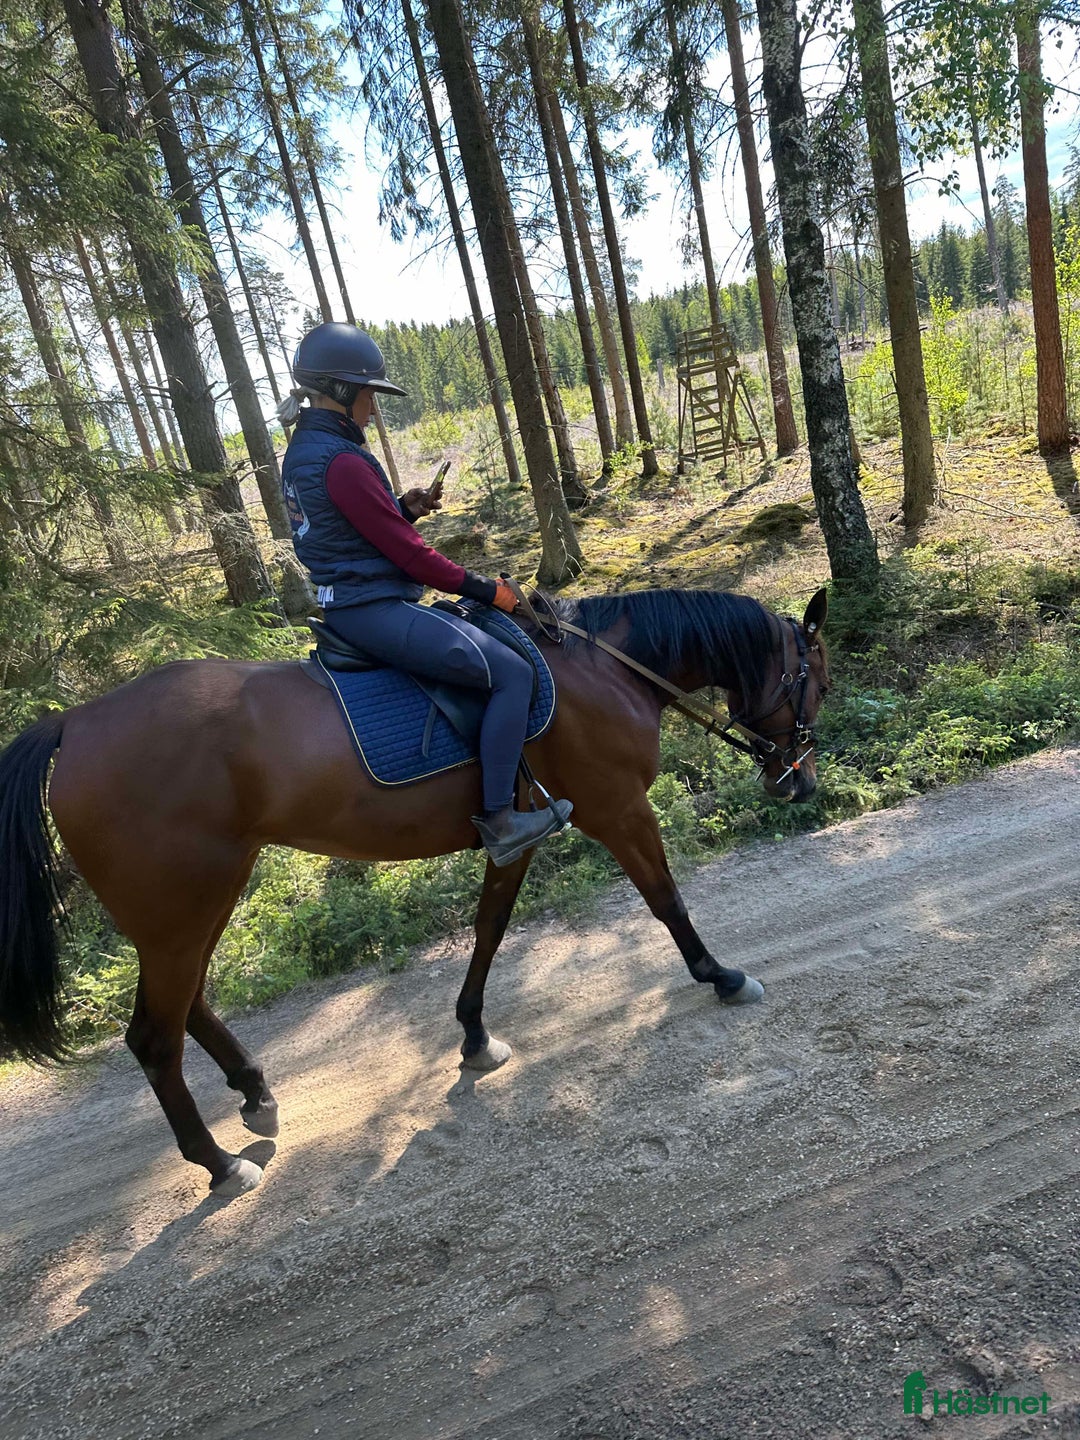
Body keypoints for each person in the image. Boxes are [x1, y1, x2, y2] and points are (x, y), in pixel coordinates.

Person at [277, 322, 572, 868]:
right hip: (374, 610)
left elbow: (344, 530)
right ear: (341, 391)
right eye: (368, 394)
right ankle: (501, 820)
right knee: (513, 674)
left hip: (347, 601)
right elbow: (413, 558)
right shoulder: (342, 460)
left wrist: (402, 508)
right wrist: (492, 592)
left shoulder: (306, 451)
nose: (373, 406)